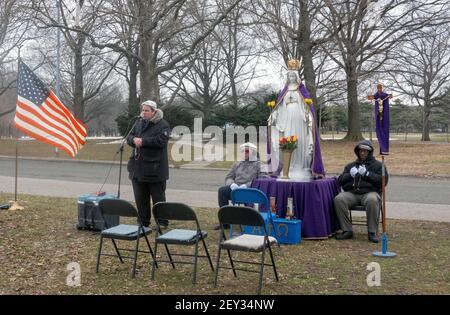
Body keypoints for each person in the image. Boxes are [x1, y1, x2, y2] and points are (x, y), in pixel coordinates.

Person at [268, 59, 325, 180]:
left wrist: (307, 115)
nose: (292, 77)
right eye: (290, 76)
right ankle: (288, 166)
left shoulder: (302, 90)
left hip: (299, 118)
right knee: (288, 137)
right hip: (287, 118)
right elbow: (279, 105)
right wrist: (274, 114)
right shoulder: (284, 91)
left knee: (300, 139)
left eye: (293, 75)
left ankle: (301, 165)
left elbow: (307, 106)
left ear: (297, 77)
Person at [333, 140, 388, 243]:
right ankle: (347, 230)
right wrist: (349, 175)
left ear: (370, 152)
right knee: (339, 199)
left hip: (370, 193)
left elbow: (383, 182)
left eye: (365, 151)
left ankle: (372, 232)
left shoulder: (378, 165)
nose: (362, 153)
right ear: (357, 152)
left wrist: (367, 174)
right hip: (353, 193)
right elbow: (340, 181)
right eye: (360, 151)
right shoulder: (351, 166)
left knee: (372, 200)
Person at [127, 100, 170, 228]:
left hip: (155, 168)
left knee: (158, 197)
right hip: (137, 167)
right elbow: (129, 137)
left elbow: (161, 141)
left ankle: (162, 222)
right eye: (143, 110)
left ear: (154, 112)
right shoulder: (138, 123)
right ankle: (143, 221)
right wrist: (133, 140)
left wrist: (143, 141)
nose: (143, 113)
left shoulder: (163, 124)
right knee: (140, 197)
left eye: (146, 110)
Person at [215, 142, 261, 230]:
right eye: (242, 151)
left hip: (250, 190)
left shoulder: (259, 164)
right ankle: (225, 222)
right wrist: (231, 184)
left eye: (247, 151)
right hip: (235, 189)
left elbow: (261, 180)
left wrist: (247, 185)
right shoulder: (237, 163)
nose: (244, 153)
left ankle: (250, 220)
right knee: (222, 191)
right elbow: (229, 176)